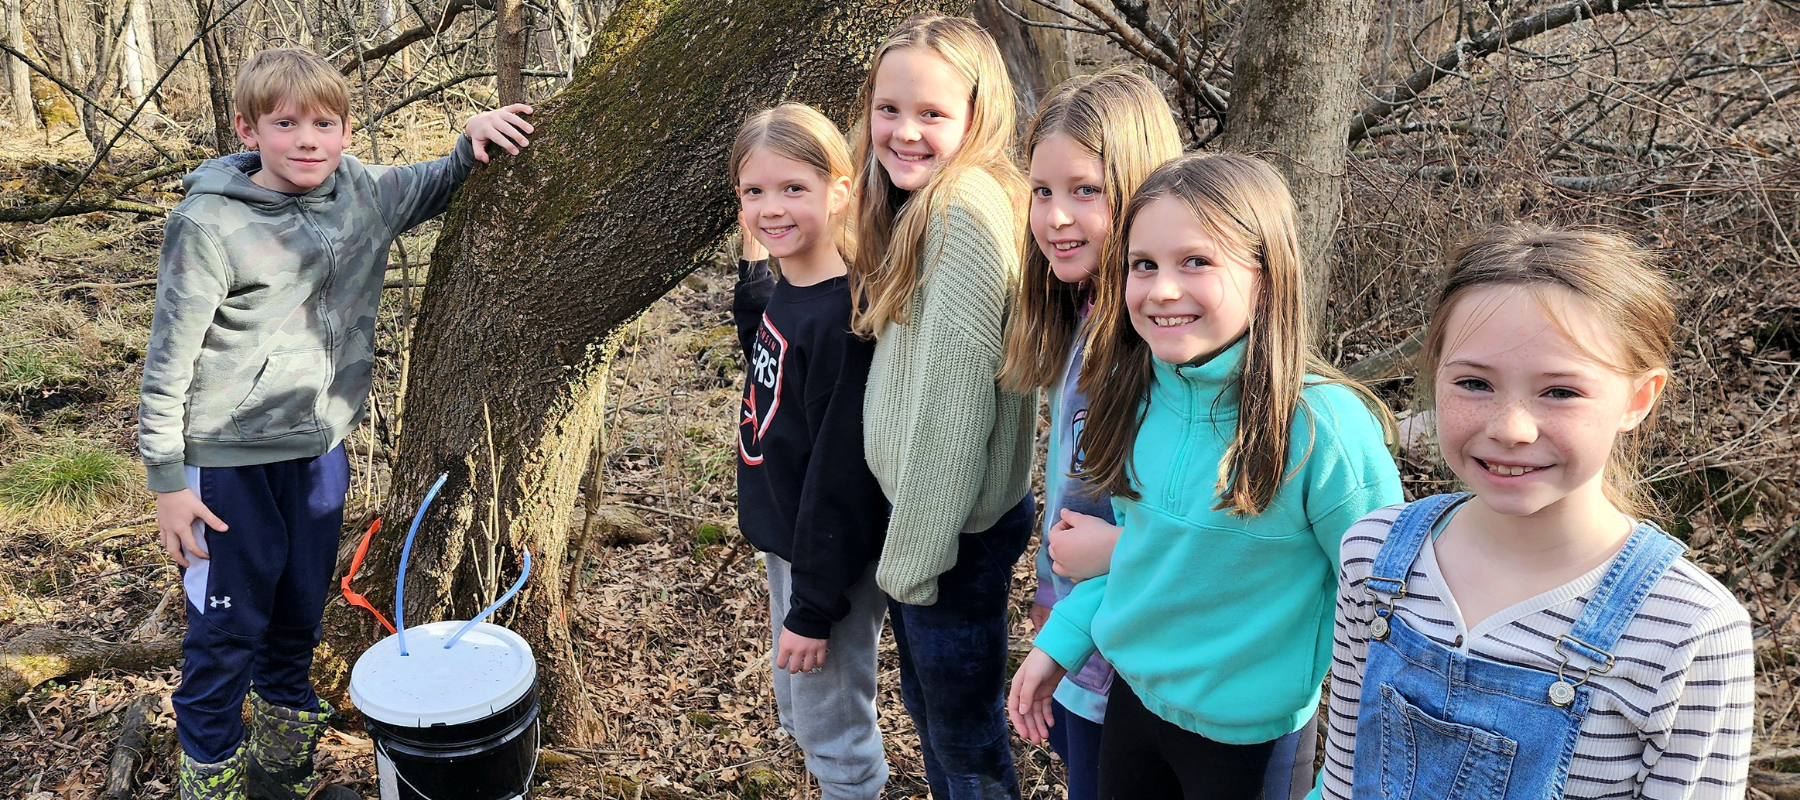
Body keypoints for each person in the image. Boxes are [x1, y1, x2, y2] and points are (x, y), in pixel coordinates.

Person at [137, 47, 533, 800]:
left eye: (325, 123)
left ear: (347, 132)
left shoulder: (363, 193)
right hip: (226, 465)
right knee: (226, 635)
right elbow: (167, 363)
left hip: (319, 454)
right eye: (286, 124)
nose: (308, 139)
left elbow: (435, 180)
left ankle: (280, 777)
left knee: (295, 623)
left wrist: (470, 136)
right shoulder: (209, 223)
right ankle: (211, 785)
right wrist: (167, 484)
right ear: (247, 129)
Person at [1007, 153, 1402, 800]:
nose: (1163, 289)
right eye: (1144, 265)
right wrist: (1062, 641)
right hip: (1132, 710)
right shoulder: (1136, 395)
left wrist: (1352, 778)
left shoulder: (1321, 428)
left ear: (1267, 278)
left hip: (1248, 743)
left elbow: (1387, 617)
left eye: (1196, 261)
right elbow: (1137, 558)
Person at [1315, 225, 1754, 800]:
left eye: (1560, 392)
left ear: (1638, 399)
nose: (1510, 428)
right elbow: (1343, 775)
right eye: (1474, 383)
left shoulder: (1688, 629)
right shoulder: (1373, 552)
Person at [846, 14, 1037, 798]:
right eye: (889, 109)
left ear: (977, 114)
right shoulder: (934, 205)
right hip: (939, 528)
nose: (905, 132)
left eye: (932, 114)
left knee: (966, 746)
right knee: (935, 720)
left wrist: (912, 562)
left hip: (949, 538)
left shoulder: (962, 213)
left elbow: (957, 410)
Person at [995, 67, 1181, 800]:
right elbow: (1074, 475)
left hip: (1134, 651)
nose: (1055, 218)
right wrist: (1049, 588)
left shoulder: (1155, 341)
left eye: (1085, 191)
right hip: (1080, 634)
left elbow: (1187, 517)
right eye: (1042, 192)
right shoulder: (1084, 315)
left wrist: (1083, 587)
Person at [728, 102, 891, 800]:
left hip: (831, 558)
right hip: (791, 541)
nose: (771, 207)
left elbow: (846, 476)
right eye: (753, 192)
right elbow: (767, 341)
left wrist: (814, 606)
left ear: (842, 190)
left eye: (793, 189)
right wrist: (755, 261)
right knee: (802, 708)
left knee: (835, 733)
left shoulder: (846, 318)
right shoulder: (791, 293)